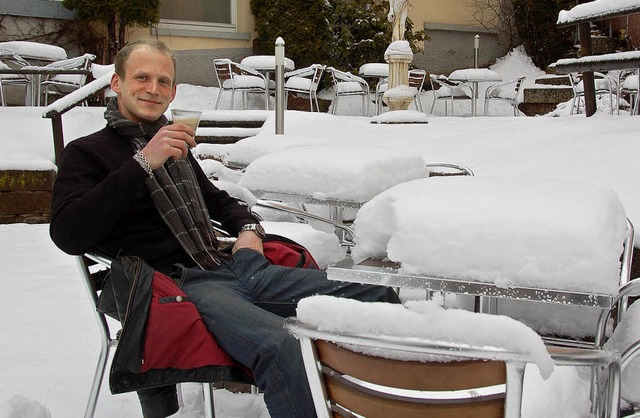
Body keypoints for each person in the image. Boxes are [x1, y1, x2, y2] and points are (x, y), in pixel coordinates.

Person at [49, 40, 400, 418]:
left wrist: (249, 229)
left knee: (374, 292)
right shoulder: (88, 153)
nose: (153, 88)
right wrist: (143, 163)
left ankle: (401, 403)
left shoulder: (173, 144)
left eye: (163, 81)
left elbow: (218, 201)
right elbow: (68, 234)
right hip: (179, 283)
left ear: (174, 92)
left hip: (234, 264)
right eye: (142, 77)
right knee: (282, 345)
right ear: (116, 83)